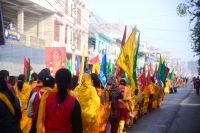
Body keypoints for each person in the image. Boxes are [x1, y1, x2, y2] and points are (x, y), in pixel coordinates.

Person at [33, 68, 82, 133]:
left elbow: (36, 122)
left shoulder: (45, 97)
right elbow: (77, 129)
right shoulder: (74, 102)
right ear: (70, 82)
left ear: (55, 81)